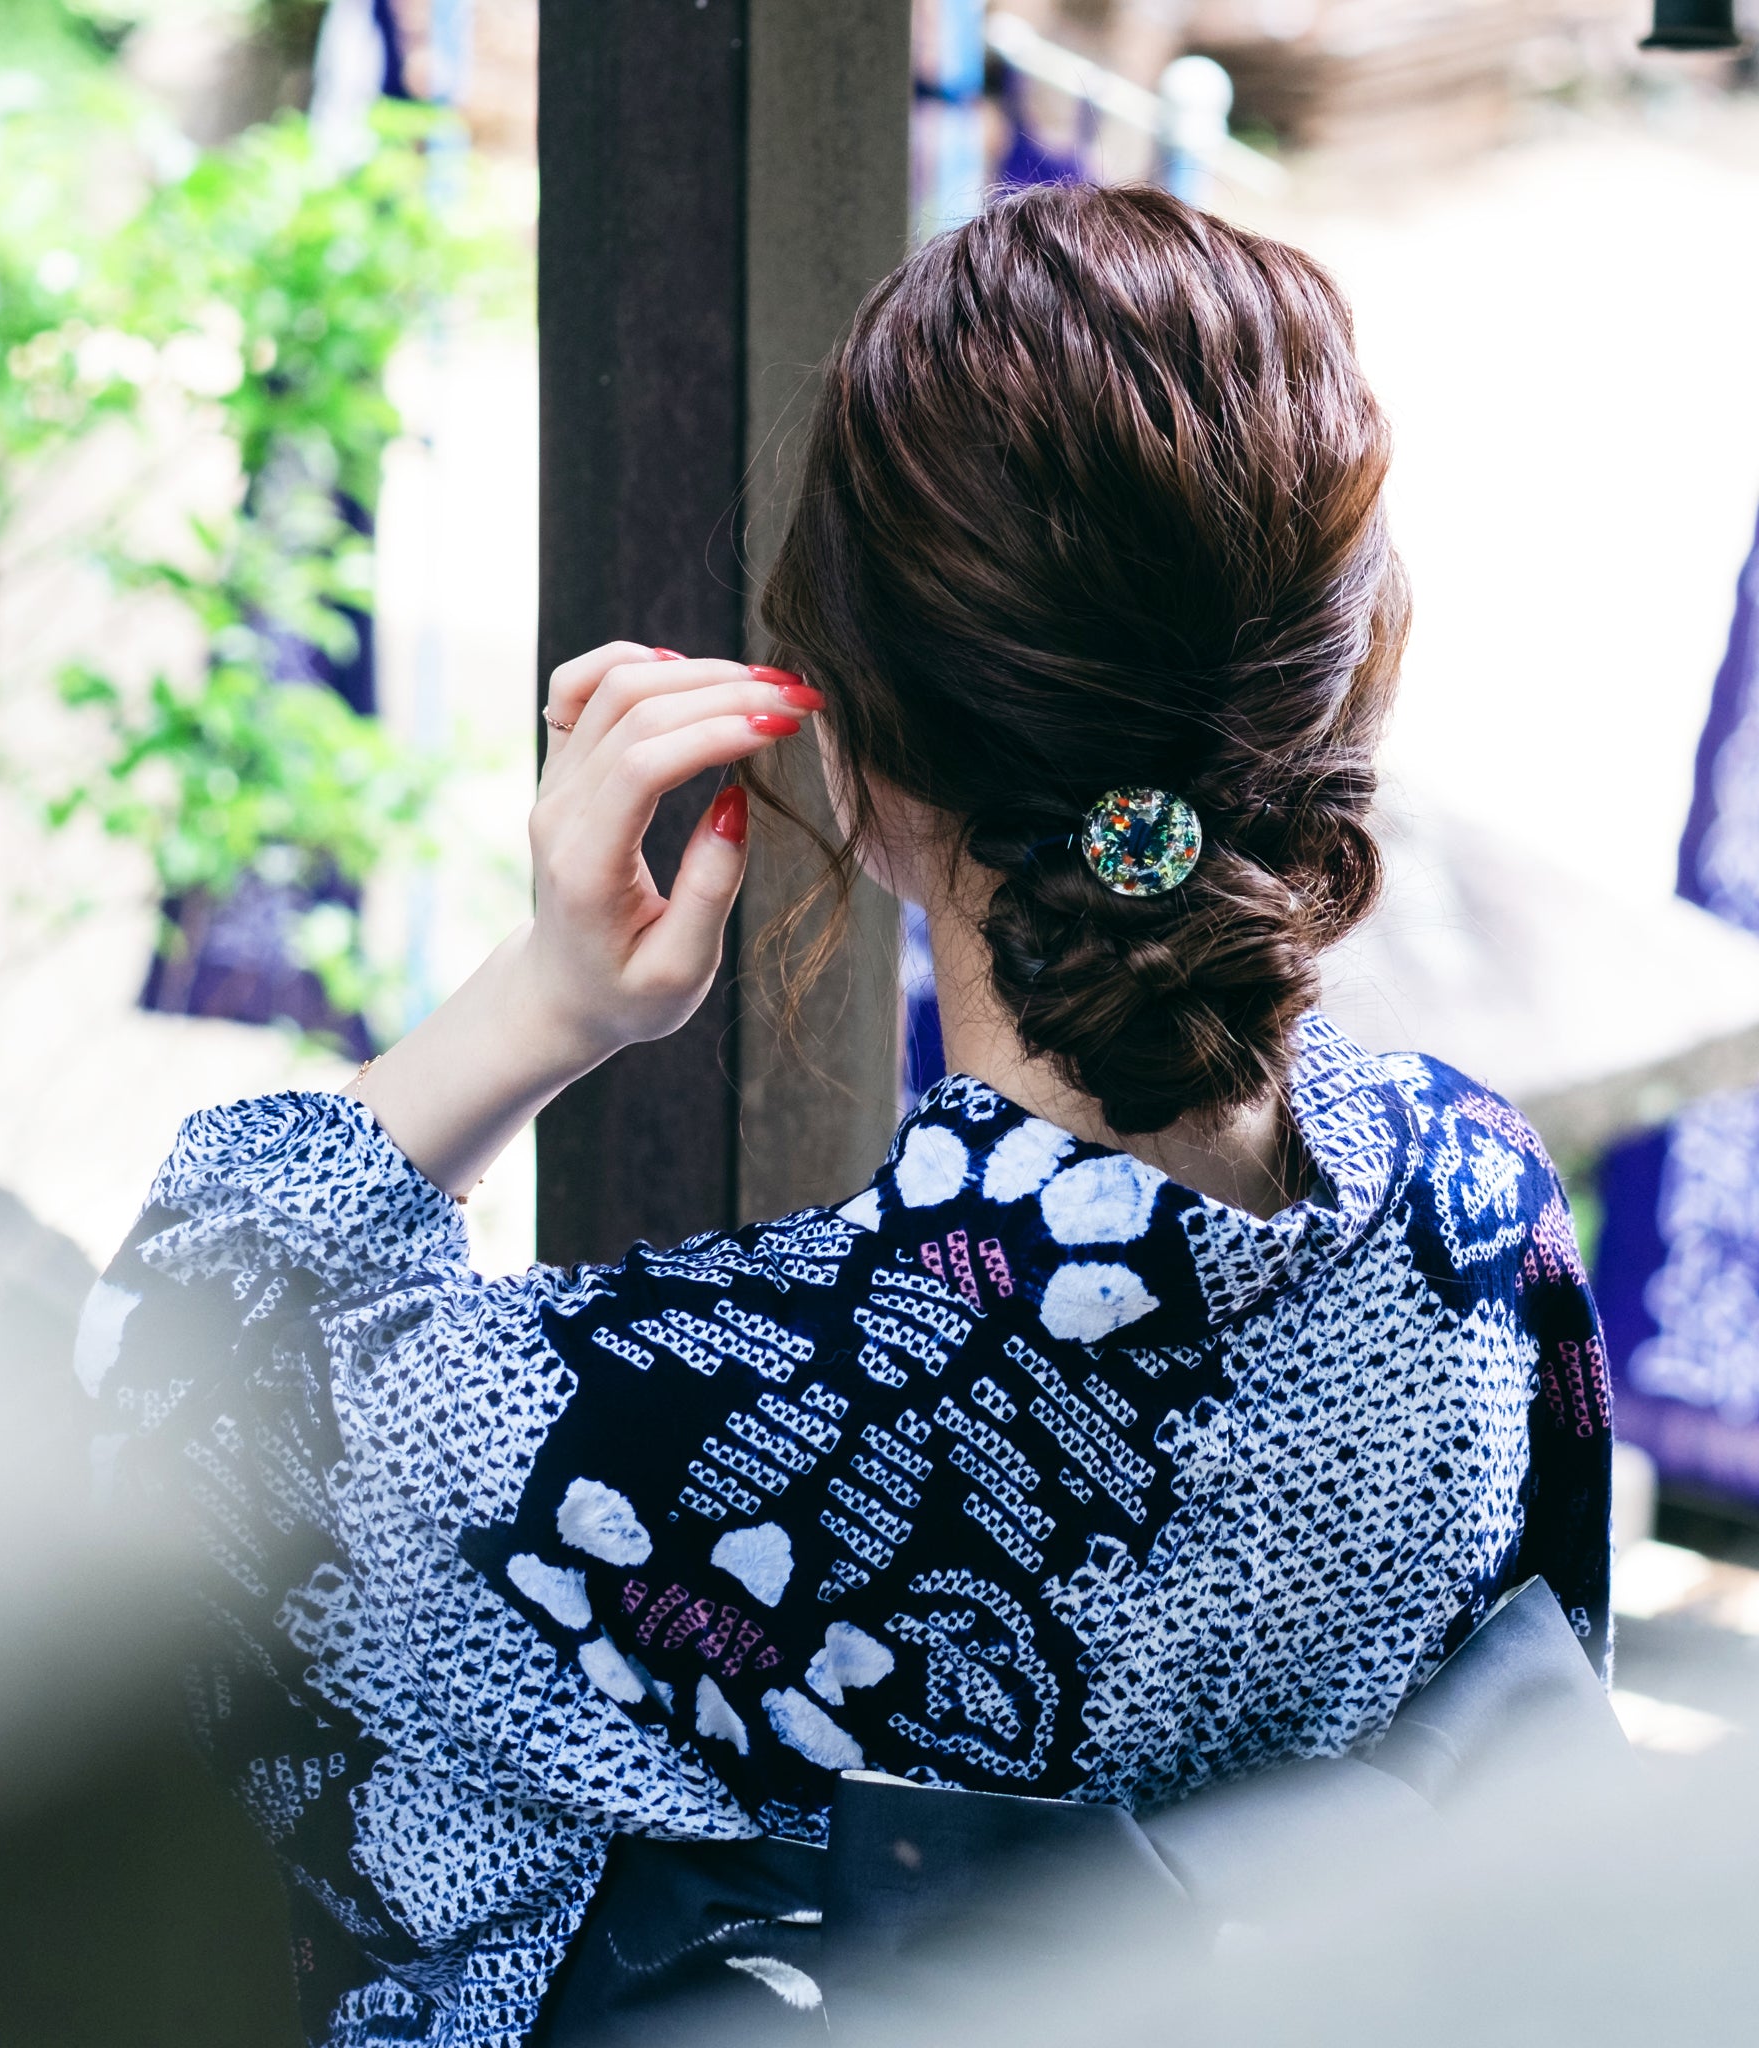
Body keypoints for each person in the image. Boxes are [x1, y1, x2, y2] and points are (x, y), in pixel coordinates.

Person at [78, 183, 1612, 2048]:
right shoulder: (1472, 1209)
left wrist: (539, 1003)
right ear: (1336, 689)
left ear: (856, 749)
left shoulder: (624, 1439)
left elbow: (165, 1403)